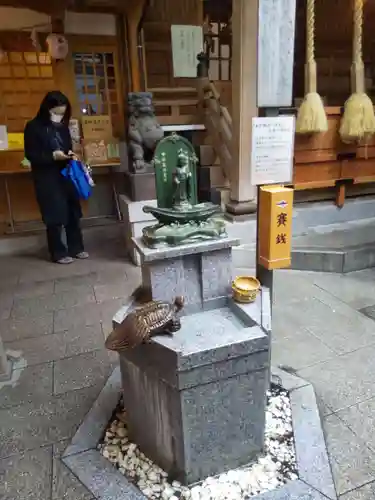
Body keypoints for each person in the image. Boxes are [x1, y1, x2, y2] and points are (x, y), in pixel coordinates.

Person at [24, 91, 88, 264]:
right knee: (55, 215)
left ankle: (77, 247)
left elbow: (67, 148)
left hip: (66, 175)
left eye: (62, 113)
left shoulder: (63, 127)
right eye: (56, 113)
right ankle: (58, 252)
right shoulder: (33, 127)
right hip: (47, 177)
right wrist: (52, 156)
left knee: (73, 212)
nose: (59, 117)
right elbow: (31, 154)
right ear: (47, 109)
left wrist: (70, 155)